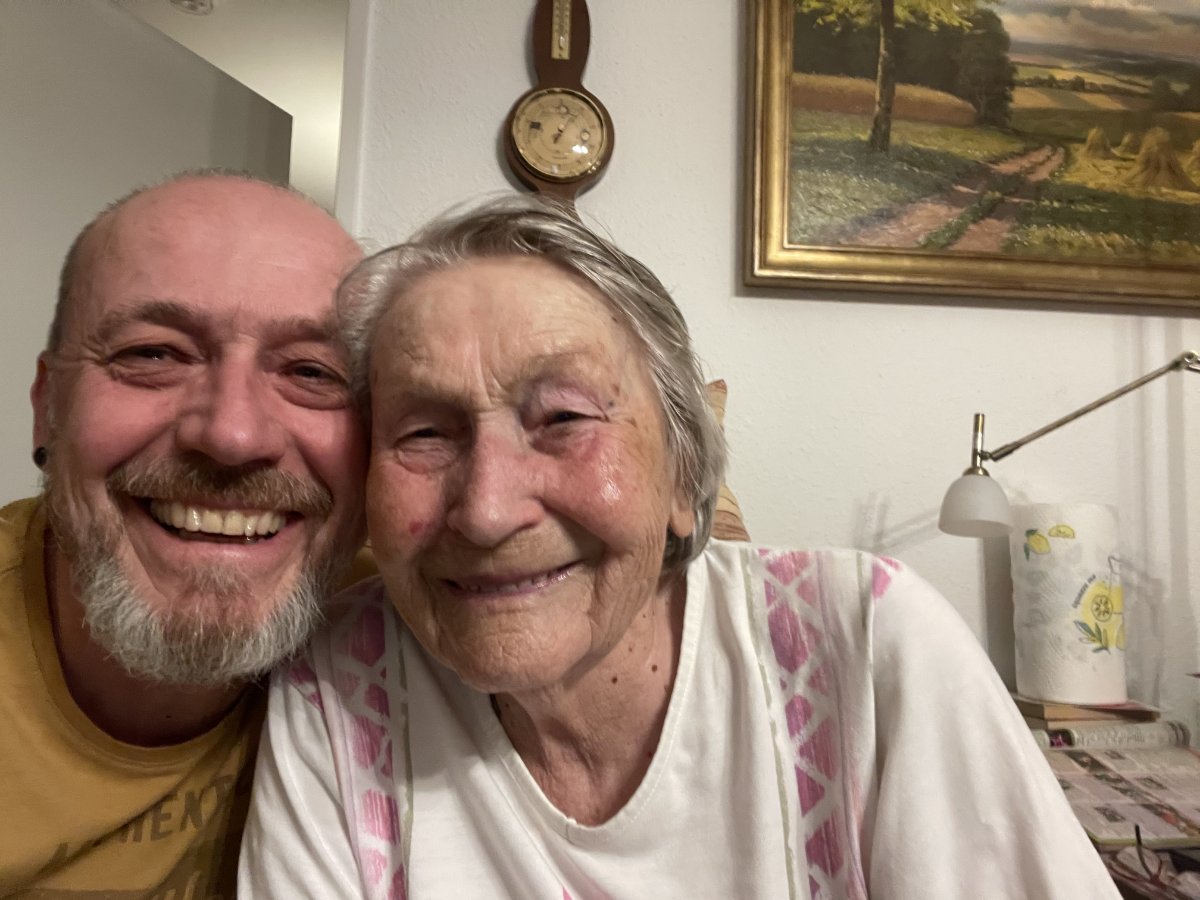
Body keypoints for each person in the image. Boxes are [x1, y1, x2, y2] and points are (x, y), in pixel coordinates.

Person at [240, 196, 1120, 899]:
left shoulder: (867, 644)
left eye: (564, 418)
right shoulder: (337, 684)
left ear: (683, 474)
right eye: (425, 433)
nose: (487, 509)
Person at [1, 172, 368, 898]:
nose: (232, 435)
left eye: (312, 371)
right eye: (153, 355)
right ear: (48, 407)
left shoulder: (397, 633)